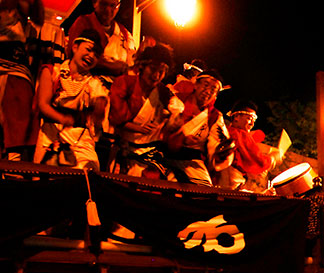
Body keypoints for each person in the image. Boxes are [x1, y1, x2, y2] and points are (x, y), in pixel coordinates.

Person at [32, 30, 108, 169]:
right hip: (50, 134)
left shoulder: (95, 84)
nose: (91, 56)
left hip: (80, 139)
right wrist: (62, 118)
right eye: (89, 50)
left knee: (89, 173)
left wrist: (99, 109)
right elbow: (43, 104)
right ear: (75, 47)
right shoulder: (52, 72)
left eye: (96, 55)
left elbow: (100, 107)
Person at [108, 44, 182, 176]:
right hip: (124, 151)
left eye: (161, 71)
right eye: (153, 69)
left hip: (150, 154)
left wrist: (173, 120)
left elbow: (177, 111)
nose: (156, 75)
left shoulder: (164, 92)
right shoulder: (124, 82)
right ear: (142, 67)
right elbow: (116, 117)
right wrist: (138, 128)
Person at [165, 69, 233, 185]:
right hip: (164, 156)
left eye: (213, 89)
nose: (208, 91)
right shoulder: (175, 101)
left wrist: (222, 153)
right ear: (196, 85)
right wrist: (181, 138)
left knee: (202, 191)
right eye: (206, 85)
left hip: (193, 162)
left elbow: (218, 143)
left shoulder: (214, 117)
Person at [0, 0, 43, 160]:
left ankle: (12, 173)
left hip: (17, 77)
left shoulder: (28, 25)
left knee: (15, 138)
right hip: (12, 76)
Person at [218, 99, 280, 191]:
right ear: (236, 117)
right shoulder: (239, 135)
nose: (252, 123)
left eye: (254, 120)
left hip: (223, 185)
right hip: (232, 186)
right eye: (249, 118)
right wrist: (273, 158)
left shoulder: (228, 132)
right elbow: (258, 161)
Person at [66, 0, 135, 81]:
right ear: (94, 3)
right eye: (104, 4)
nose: (108, 10)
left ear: (118, 6)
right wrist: (112, 66)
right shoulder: (83, 23)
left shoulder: (125, 34)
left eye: (113, 6)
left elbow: (131, 64)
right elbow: (73, 56)